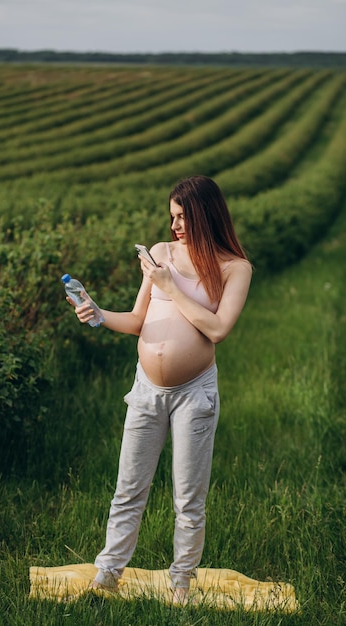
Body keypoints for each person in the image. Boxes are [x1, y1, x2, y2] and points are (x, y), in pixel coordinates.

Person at [66, 175, 252, 605]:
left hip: (195, 392)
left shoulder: (234, 268)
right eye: (172, 217)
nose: (176, 226)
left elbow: (219, 329)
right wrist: (97, 313)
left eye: (184, 217)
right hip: (146, 388)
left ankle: (181, 581)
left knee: (188, 496)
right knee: (129, 486)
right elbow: (135, 319)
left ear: (207, 213)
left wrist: (172, 287)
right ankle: (108, 573)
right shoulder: (161, 254)